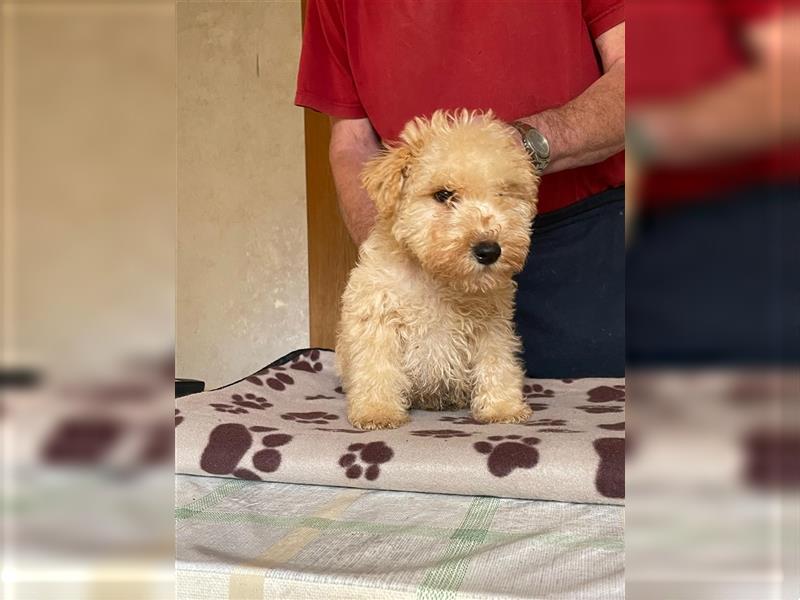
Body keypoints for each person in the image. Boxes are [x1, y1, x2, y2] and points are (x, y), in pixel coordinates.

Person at [295, 0, 625, 377]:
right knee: (414, 427)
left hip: (584, 245)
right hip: (422, 260)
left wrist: (526, 145)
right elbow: (352, 142)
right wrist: (387, 263)